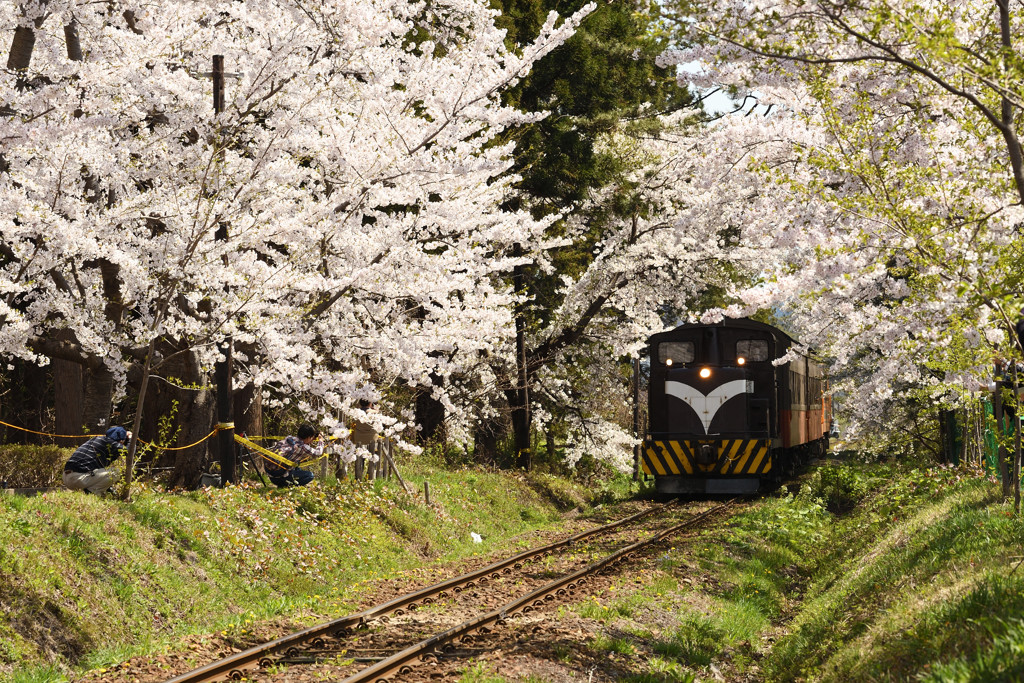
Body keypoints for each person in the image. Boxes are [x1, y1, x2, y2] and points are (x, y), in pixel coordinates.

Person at [63, 426, 130, 494]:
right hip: (78, 478)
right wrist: (130, 438)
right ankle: (91, 492)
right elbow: (129, 451)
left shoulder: (98, 440)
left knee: (102, 471)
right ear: (121, 441)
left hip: (67, 478)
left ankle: (98, 491)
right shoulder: (109, 442)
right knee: (116, 472)